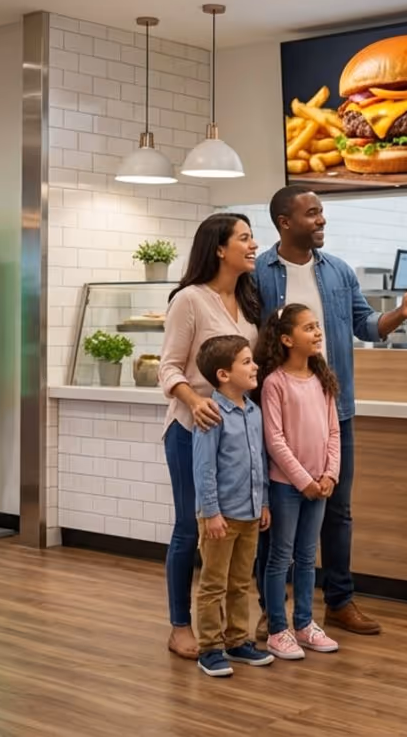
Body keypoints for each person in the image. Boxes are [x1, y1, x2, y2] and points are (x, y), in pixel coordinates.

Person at [256, 185, 407, 636]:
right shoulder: (258, 273)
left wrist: (402, 313)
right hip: (276, 408)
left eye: (322, 213)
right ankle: (272, 610)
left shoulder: (338, 272)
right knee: (275, 510)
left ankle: (339, 601)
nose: (321, 220)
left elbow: (367, 327)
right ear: (285, 222)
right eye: (312, 213)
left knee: (338, 509)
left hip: (334, 410)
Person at [157, 213, 261, 661]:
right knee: (189, 527)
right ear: (219, 248)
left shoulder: (249, 299)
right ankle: (180, 626)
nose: (253, 245)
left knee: (231, 536)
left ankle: (233, 634)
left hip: (236, 433)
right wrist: (192, 400)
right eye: (245, 238)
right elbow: (169, 367)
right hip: (190, 429)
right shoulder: (190, 300)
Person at [256, 304, 343, 660]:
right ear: (288, 339)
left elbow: (334, 432)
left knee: (308, 559)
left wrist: (330, 474)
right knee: (280, 558)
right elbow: (274, 440)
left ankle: (305, 624)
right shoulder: (275, 383)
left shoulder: (323, 380)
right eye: (309, 328)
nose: (317, 333)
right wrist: (304, 480)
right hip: (286, 487)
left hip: (319, 486)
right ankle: (278, 629)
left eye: (317, 326)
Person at [191, 334, 273, 677]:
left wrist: (264, 502)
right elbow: (204, 467)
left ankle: (238, 640)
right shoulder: (211, 414)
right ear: (224, 374)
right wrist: (211, 513)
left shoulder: (253, 411)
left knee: (240, 582)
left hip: (251, 513)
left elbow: (261, 461)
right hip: (220, 518)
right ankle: (209, 648)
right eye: (246, 362)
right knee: (213, 584)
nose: (255, 366)